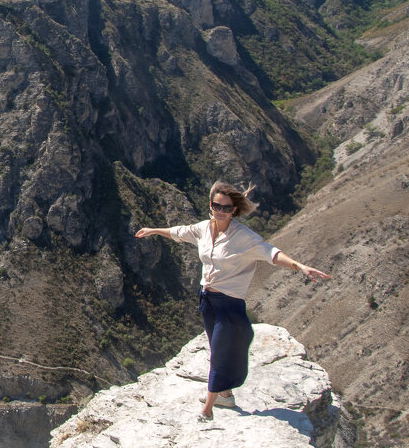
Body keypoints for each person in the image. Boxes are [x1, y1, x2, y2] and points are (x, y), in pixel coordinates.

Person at [134, 180, 330, 420]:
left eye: (227, 208)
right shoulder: (204, 229)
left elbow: (271, 253)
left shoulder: (244, 237)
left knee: (218, 355)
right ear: (211, 205)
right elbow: (180, 232)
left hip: (229, 305)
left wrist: (299, 266)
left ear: (234, 210)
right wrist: (153, 230)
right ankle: (225, 395)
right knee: (217, 348)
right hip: (208, 301)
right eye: (217, 206)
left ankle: (207, 411)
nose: (221, 211)